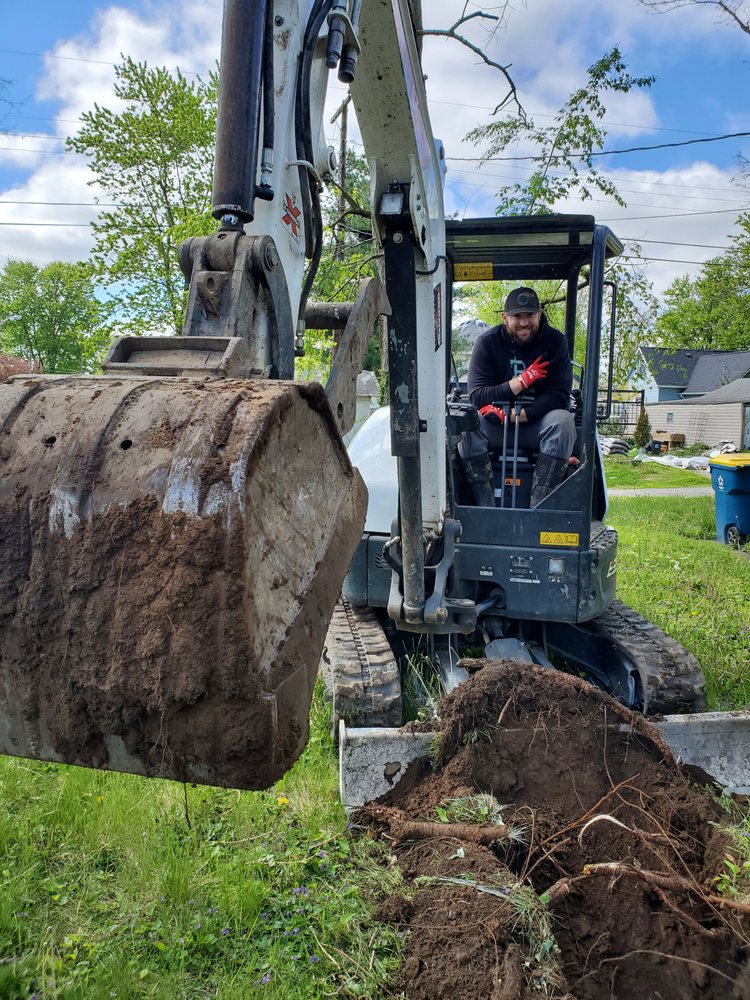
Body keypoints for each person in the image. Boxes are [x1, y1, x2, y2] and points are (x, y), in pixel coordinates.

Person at [458, 286, 576, 507]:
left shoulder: (555, 342)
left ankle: (539, 507)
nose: (524, 323)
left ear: (539, 314)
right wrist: (519, 382)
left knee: (563, 422)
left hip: (536, 424)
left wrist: (521, 415)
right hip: (495, 424)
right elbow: (477, 395)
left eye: (530, 315)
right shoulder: (487, 342)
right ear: (505, 318)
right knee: (467, 424)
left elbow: (560, 396)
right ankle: (484, 506)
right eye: (517, 316)